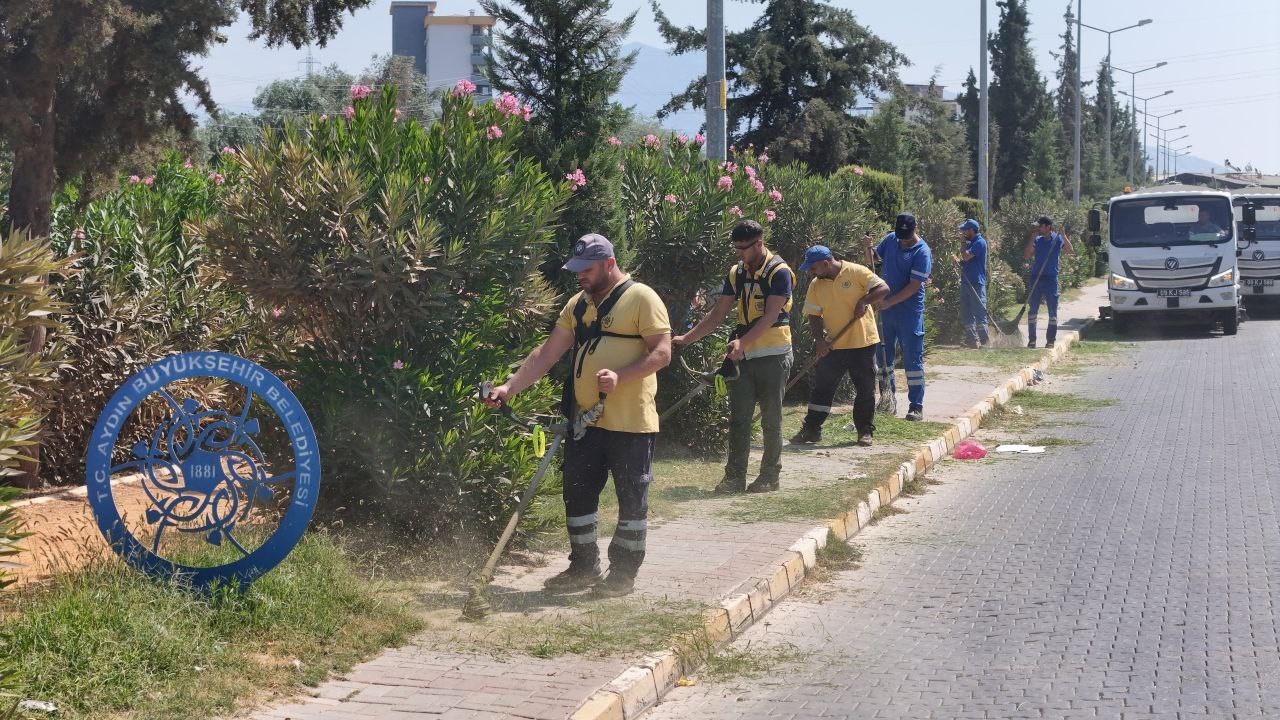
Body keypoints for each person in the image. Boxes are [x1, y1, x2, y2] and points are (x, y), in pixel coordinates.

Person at [484, 233, 671, 598]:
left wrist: (621, 377)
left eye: (587, 269)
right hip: (586, 422)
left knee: (631, 500)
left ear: (609, 264)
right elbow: (547, 353)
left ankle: (623, 574)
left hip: (631, 423)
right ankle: (583, 566)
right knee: (578, 495)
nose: (580, 275)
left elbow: (662, 353)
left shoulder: (642, 298)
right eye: (577, 269)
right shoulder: (577, 305)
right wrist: (510, 387)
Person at [674, 220, 794, 494]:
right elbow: (717, 315)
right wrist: (687, 338)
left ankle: (769, 477)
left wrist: (742, 341)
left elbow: (771, 316)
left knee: (771, 418)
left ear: (759, 244)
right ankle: (734, 478)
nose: (738, 253)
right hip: (744, 356)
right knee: (738, 418)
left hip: (774, 354)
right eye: (736, 248)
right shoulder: (737, 272)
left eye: (743, 248)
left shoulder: (779, 272)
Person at [790, 245, 889, 447]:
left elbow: (883, 288)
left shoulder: (856, 271)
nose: (811, 272)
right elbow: (814, 314)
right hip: (834, 345)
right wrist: (819, 340)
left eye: (813, 268)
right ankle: (812, 430)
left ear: (826, 263)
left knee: (865, 388)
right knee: (822, 388)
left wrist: (864, 301)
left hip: (863, 343)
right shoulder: (816, 285)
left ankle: (864, 431)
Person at [862, 213, 931, 422]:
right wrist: (868, 248)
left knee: (912, 359)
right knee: (883, 357)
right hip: (886, 310)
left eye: (906, 236)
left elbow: (914, 286)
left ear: (915, 229)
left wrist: (889, 302)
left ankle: (916, 406)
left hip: (909, 312)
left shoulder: (922, 252)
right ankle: (887, 398)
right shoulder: (892, 239)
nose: (902, 240)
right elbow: (872, 260)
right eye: (900, 235)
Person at [1023, 216, 1075, 349]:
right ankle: (1032, 340)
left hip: (1051, 279)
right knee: (1032, 311)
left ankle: (1050, 340)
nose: (1038, 228)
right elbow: (1027, 255)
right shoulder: (1038, 240)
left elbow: (1070, 251)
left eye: (1040, 226)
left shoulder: (1057, 239)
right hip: (1036, 278)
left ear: (1047, 227)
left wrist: (1063, 235)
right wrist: (1033, 237)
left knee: (1052, 312)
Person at [955, 218, 990, 349]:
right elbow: (965, 261)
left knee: (979, 313)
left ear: (971, 230)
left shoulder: (980, 243)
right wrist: (958, 261)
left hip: (976, 283)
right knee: (966, 312)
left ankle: (985, 342)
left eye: (965, 229)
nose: (963, 232)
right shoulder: (971, 243)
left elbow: (966, 256)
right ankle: (972, 340)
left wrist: (962, 245)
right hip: (966, 282)